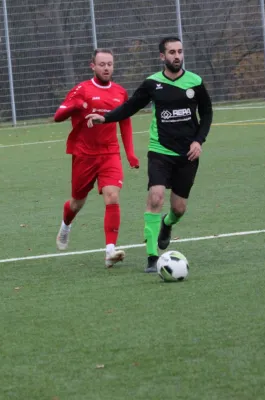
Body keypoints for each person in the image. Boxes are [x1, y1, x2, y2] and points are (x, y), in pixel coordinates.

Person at [86, 37, 213, 273]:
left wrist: (198, 140)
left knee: (178, 209)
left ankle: (167, 225)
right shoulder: (152, 84)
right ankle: (152, 257)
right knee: (155, 198)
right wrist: (105, 117)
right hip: (160, 151)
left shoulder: (195, 82)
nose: (177, 56)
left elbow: (207, 113)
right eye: (172, 52)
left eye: (180, 51)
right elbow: (130, 106)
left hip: (188, 154)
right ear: (162, 57)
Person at [53, 48, 140, 268]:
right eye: (102, 64)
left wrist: (129, 153)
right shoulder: (81, 90)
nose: (106, 68)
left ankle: (110, 251)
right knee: (77, 202)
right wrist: (78, 105)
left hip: (109, 153)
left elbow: (125, 121)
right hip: (84, 154)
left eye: (110, 64)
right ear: (93, 66)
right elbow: (58, 116)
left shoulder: (120, 92)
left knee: (112, 196)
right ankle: (65, 225)